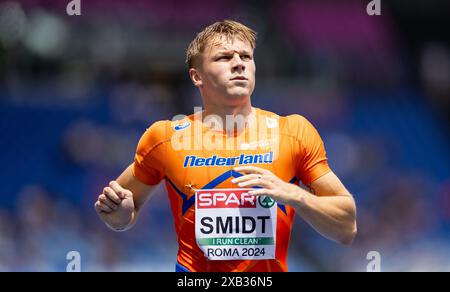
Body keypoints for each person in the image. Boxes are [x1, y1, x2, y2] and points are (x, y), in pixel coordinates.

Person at [94, 20, 357, 272]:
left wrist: (294, 195)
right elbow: (120, 215)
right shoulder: (165, 137)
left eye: (246, 57)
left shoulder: (293, 131)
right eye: (224, 58)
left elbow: (346, 228)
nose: (239, 64)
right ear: (197, 76)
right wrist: (118, 216)